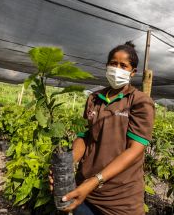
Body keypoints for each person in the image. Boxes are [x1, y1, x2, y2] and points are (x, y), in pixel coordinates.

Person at [58, 41, 155, 215]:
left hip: (120, 198)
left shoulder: (139, 101)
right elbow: (84, 136)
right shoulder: (94, 98)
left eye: (123, 65)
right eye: (113, 63)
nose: (117, 68)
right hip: (85, 190)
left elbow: (135, 149)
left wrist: (95, 180)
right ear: (107, 66)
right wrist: (68, 163)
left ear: (133, 72)